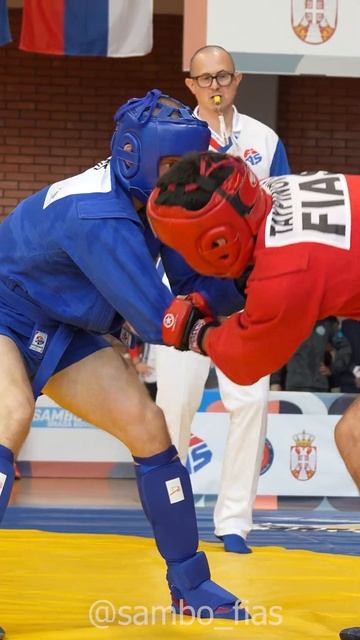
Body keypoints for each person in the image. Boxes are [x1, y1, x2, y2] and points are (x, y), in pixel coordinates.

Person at [0, 93, 250, 622]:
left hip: (62, 326)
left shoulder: (161, 197)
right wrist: (240, 331)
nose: (183, 176)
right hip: (5, 309)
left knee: (148, 425)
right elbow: (157, 315)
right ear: (133, 156)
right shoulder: (96, 213)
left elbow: (194, 287)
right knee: (12, 413)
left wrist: (246, 275)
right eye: (172, 166)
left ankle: (190, 583)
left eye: (189, 165)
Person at [147, 150, 360, 490]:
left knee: (355, 438)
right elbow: (250, 271)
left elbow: (247, 362)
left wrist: (196, 333)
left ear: (215, 240)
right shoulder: (273, 190)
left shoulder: (286, 270)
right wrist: (209, 299)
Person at [155, 45, 290, 553]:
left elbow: (284, 209)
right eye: (204, 78)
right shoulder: (168, 137)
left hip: (243, 296)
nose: (215, 86)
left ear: (239, 80)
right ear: (189, 84)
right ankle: (174, 521)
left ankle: (234, 523)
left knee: (251, 403)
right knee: (174, 409)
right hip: (183, 291)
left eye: (224, 76)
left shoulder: (263, 138)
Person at [270, 317, 351, 392]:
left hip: (319, 385)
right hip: (294, 384)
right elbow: (278, 352)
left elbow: (345, 347)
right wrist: (275, 381)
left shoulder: (327, 322)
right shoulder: (289, 322)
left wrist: (334, 368)